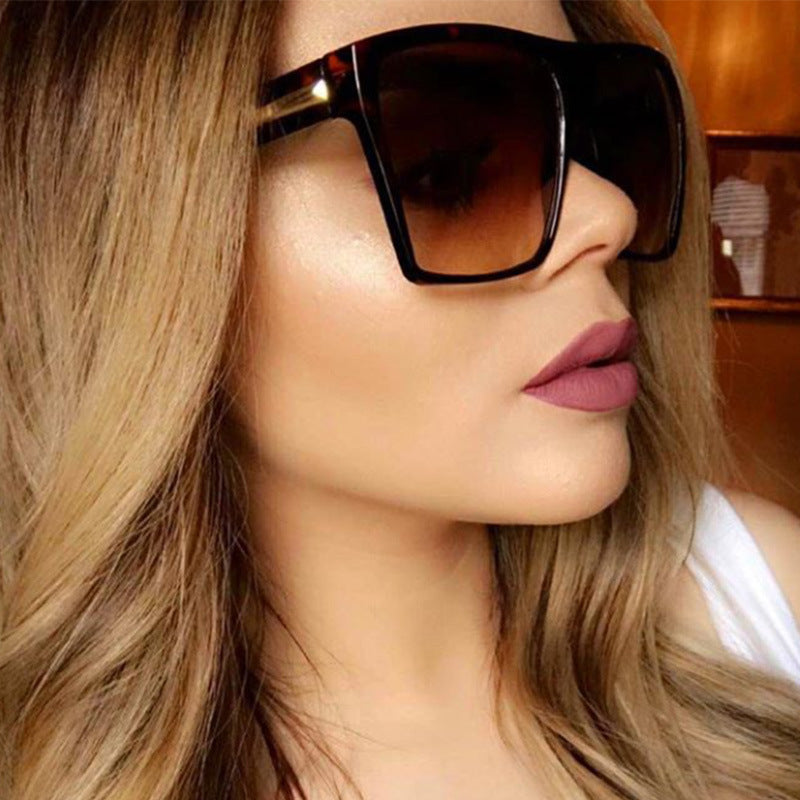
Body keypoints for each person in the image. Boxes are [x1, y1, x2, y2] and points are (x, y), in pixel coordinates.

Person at [0, 2, 798, 800]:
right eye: (445, 169)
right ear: (133, 248)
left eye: (600, 136)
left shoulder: (766, 605)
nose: (610, 212)